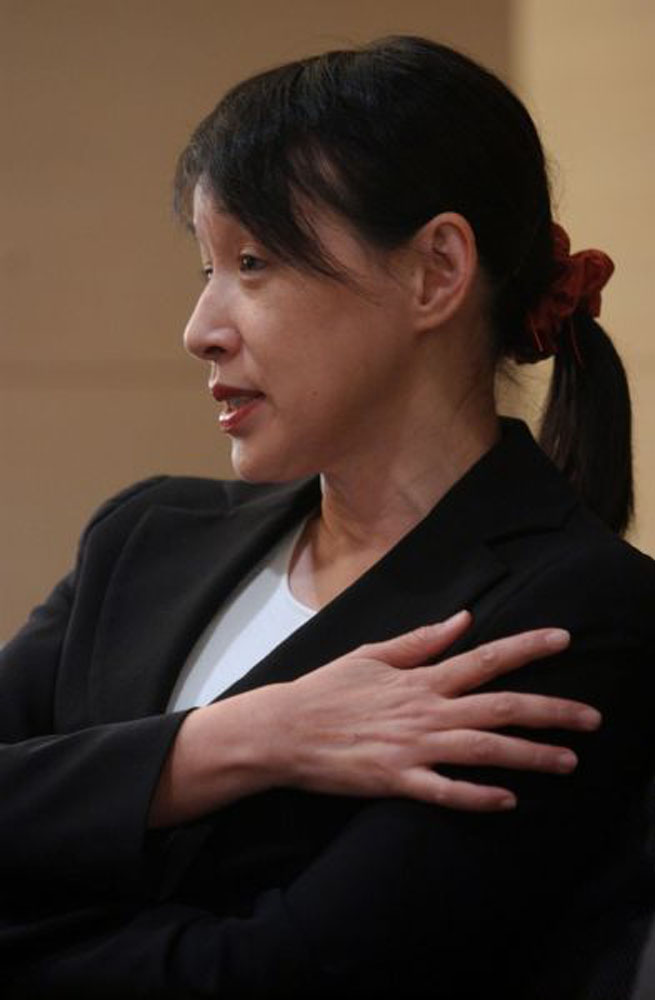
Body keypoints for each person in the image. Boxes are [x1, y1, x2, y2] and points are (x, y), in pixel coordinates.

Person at [1, 34, 654, 999]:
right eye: (206, 268)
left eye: (253, 262)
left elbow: (281, 975)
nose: (200, 330)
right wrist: (237, 741)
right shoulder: (144, 535)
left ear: (435, 271)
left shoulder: (575, 611)